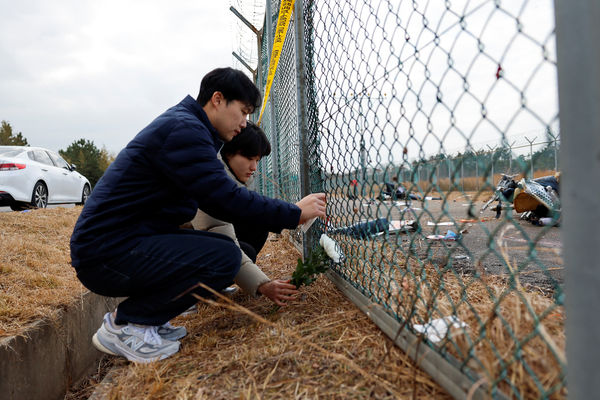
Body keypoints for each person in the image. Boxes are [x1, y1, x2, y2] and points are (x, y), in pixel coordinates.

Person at [70, 67, 326, 363]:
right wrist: (294, 213)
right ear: (218, 99)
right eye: (242, 112)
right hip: (106, 252)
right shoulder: (184, 130)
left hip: (118, 243)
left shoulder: (189, 130)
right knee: (224, 258)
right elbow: (225, 198)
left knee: (224, 252)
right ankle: (128, 324)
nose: (244, 123)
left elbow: (218, 207)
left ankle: (149, 321)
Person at [191, 121, 296, 306]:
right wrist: (263, 285)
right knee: (238, 251)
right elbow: (218, 232)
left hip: (192, 250)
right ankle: (191, 295)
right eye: (249, 158)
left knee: (257, 223)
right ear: (229, 151)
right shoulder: (212, 182)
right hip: (169, 259)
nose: (254, 167)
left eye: (257, 160)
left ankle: (213, 287)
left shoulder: (225, 176)